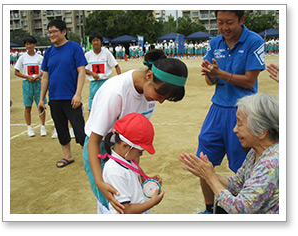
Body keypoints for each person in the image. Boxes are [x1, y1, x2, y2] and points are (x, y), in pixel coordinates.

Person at [83, 49, 188, 214]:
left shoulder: (150, 95)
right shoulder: (115, 93)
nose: (160, 101)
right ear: (149, 77)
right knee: (112, 205)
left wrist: (141, 177)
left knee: (133, 194)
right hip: (100, 150)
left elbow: (135, 142)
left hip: (125, 151)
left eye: (165, 99)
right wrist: (99, 181)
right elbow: (94, 140)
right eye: (160, 94)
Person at [197, 10, 266, 214]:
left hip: (243, 110)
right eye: (220, 23)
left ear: (241, 20)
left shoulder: (254, 41)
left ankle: (242, 213)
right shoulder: (214, 43)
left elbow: (249, 81)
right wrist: (211, 75)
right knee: (203, 161)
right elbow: (211, 81)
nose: (224, 28)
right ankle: (210, 210)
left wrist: (221, 74)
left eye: (229, 22)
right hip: (217, 108)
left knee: (241, 168)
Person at [180, 93, 279, 214]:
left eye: (240, 123)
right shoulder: (255, 151)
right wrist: (207, 172)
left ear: (262, 131)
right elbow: (237, 184)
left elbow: (240, 210)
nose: (234, 129)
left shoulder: (271, 165)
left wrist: (211, 178)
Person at [38, 19, 87, 168]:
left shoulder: (74, 48)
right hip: (54, 98)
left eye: (54, 31)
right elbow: (45, 76)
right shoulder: (49, 52)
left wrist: (77, 94)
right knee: (61, 128)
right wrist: (41, 99)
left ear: (64, 32)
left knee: (79, 129)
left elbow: (81, 71)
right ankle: (68, 156)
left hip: (71, 97)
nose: (51, 35)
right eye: (49, 32)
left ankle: (89, 157)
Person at [98, 113, 164, 214]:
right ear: (125, 146)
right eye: (140, 151)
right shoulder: (114, 171)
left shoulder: (127, 159)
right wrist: (152, 202)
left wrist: (148, 184)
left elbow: (132, 185)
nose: (141, 154)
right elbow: (126, 210)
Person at [14, 35, 47, 137]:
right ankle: (29, 127)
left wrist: (38, 75)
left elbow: (45, 71)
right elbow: (16, 72)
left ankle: (42, 126)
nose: (29, 46)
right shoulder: (22, 58)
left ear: (35, 45)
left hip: (38, 83)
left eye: (31, 44)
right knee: (27, 106)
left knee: (40, 105)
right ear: (25, 45)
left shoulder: (40, 58)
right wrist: (27, 77)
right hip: (27, 84)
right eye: (27, 44)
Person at [85, 32, 121, 112]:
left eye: (97, 40)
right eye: (94, 41)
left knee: (107, 104)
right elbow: (83, 69)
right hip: (94, 83)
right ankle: (91, 122)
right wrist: (92, 73)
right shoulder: (88, 55)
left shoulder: (106, 53)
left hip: (105, 82)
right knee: (92, 106)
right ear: (91, 43)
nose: (96, 42)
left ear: (101, 41)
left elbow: (116, 65)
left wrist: (120, 79)